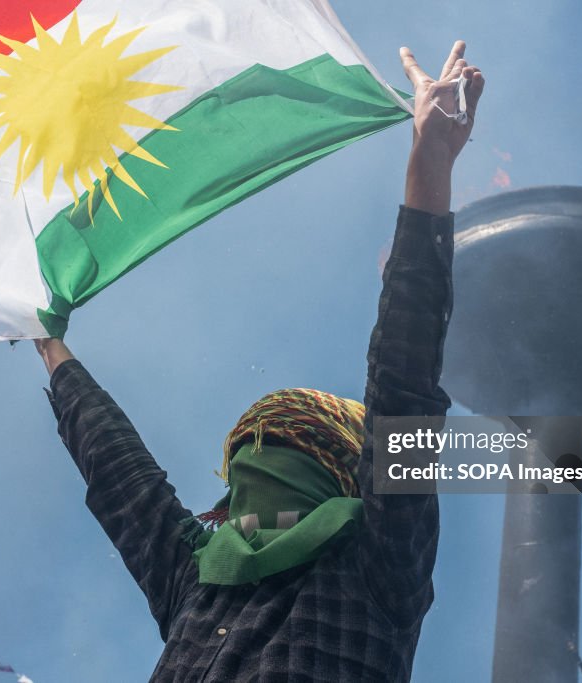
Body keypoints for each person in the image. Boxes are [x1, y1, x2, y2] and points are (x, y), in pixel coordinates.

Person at [34, 40, 484, 682]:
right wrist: (47, 343)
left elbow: (403, 387)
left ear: (345, 470)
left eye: (284, 442)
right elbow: (119, 474)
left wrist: (430, 165)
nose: (255, 469)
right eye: (255, 448)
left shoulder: (378, 563)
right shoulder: (198, 573)